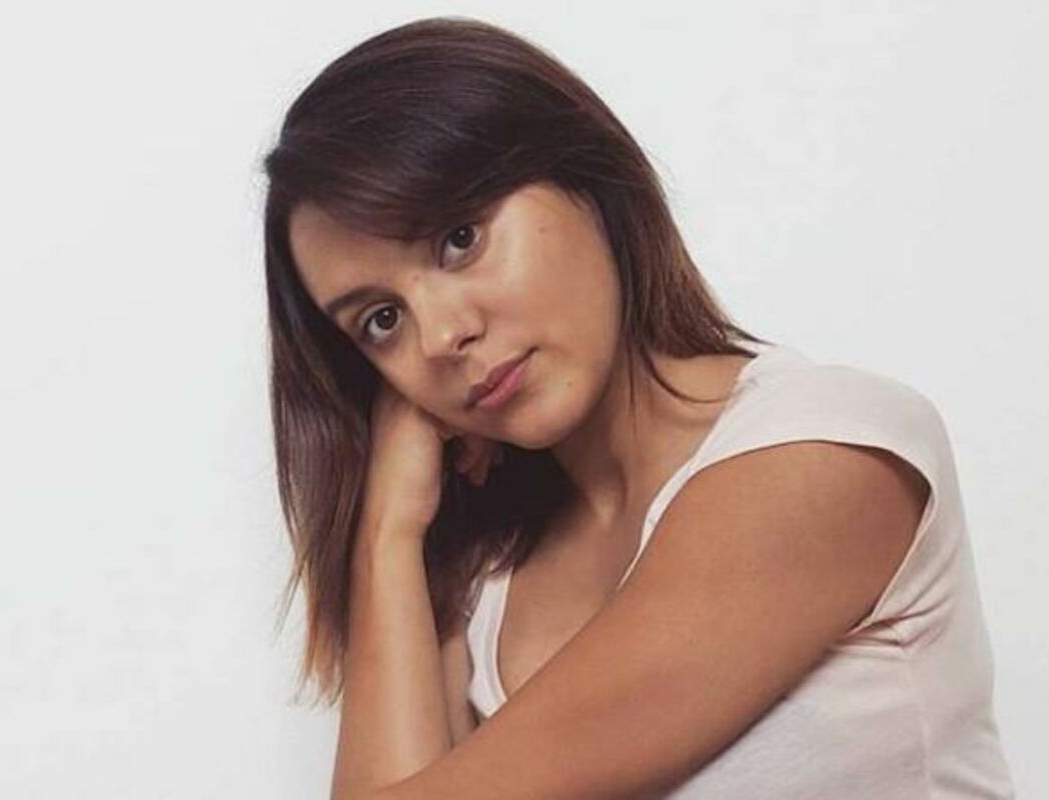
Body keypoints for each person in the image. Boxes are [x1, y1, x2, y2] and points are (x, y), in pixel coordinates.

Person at [261, 15, 1014, 799]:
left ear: (585, 176)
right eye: (382, 319)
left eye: (460, 238)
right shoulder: (482, 584)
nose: (443, 335)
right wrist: (388, 533)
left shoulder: (825, 454)